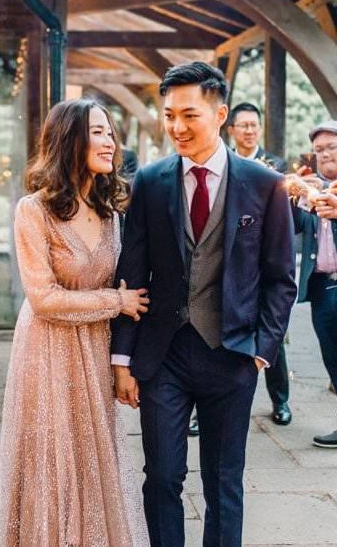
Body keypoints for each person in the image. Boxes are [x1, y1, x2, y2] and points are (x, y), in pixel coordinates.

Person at [111, 62, 297, 547]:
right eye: (169, 115)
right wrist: (122, 359)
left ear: (220, 115)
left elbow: (281, 278)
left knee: (223, 482)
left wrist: (263, 349)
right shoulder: (150, 182)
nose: (177, 127)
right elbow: (131, 274)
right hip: (163, 356)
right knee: (164, 477)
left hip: (232, 355)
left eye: (188, 115)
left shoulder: (263, 183)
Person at [0, 98, 150, 546]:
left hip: (95, 347)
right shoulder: (34, 210)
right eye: (98, 131)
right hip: (48, 349)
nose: (110, 141)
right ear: (69, 140)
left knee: (93, 457)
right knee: (53, 456)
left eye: (110, 131)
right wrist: (116, 300)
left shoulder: (110, 210)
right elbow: (43, 298)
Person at [225, 102, 292, 426]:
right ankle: (208, 406)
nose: (250, 131)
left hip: (265, 256)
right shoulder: (223, 165)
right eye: (245, 125)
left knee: (272, 335)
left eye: (255, 125)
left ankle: (280, 400)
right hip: (231, 262)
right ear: (232, 129)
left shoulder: (276, 165)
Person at [290, 119, 337, 448]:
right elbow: (293, 228)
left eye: (331, 147)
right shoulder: (311, 188)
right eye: (319, 150)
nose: (325, 154)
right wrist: (292, 198)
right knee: (331, 354)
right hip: (320, 285)